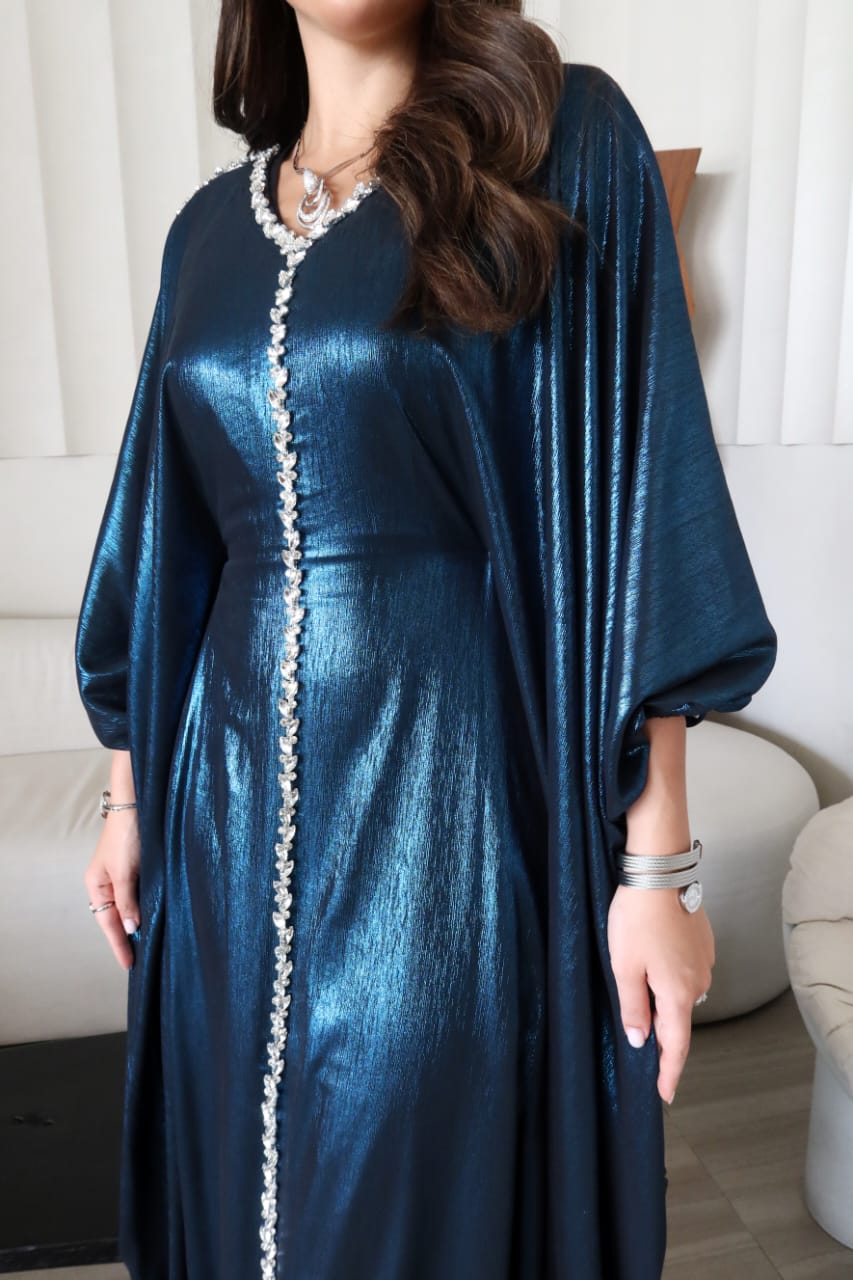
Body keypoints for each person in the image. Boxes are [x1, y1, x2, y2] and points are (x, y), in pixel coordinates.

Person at [74, 1, 778, 1277]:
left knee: (409, 1185)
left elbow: (639, 492)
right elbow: (157, 538)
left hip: (448, 809)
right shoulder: (204, 233)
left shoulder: (562, 144)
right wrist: (129, 795)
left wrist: (656, 870)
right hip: (219, 820)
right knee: (238, 1186)